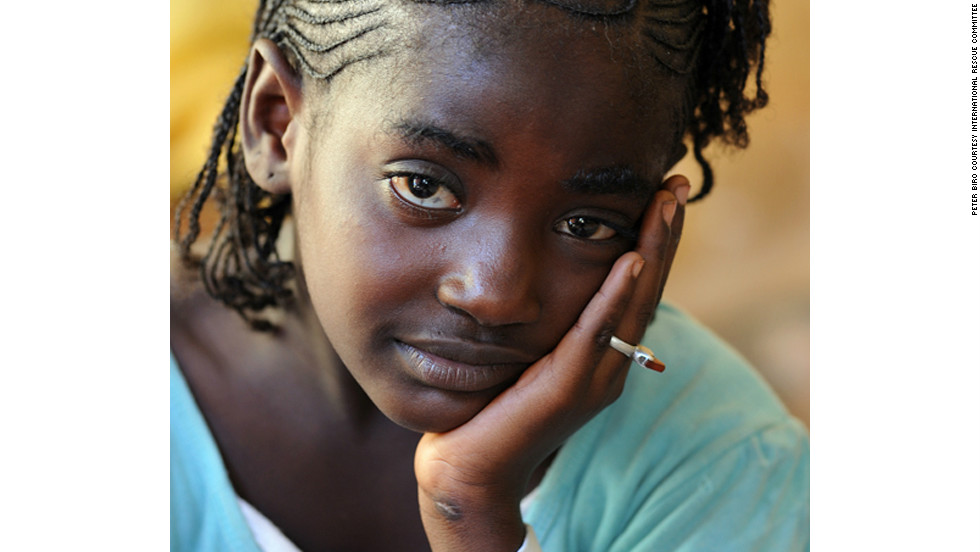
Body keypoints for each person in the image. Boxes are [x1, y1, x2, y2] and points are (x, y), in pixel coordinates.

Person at [170, 0, 809, 550]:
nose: (494, 295)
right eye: (424, 187)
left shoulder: (722, 460)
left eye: (587, 225)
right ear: (277, 123)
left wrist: (471, 512)